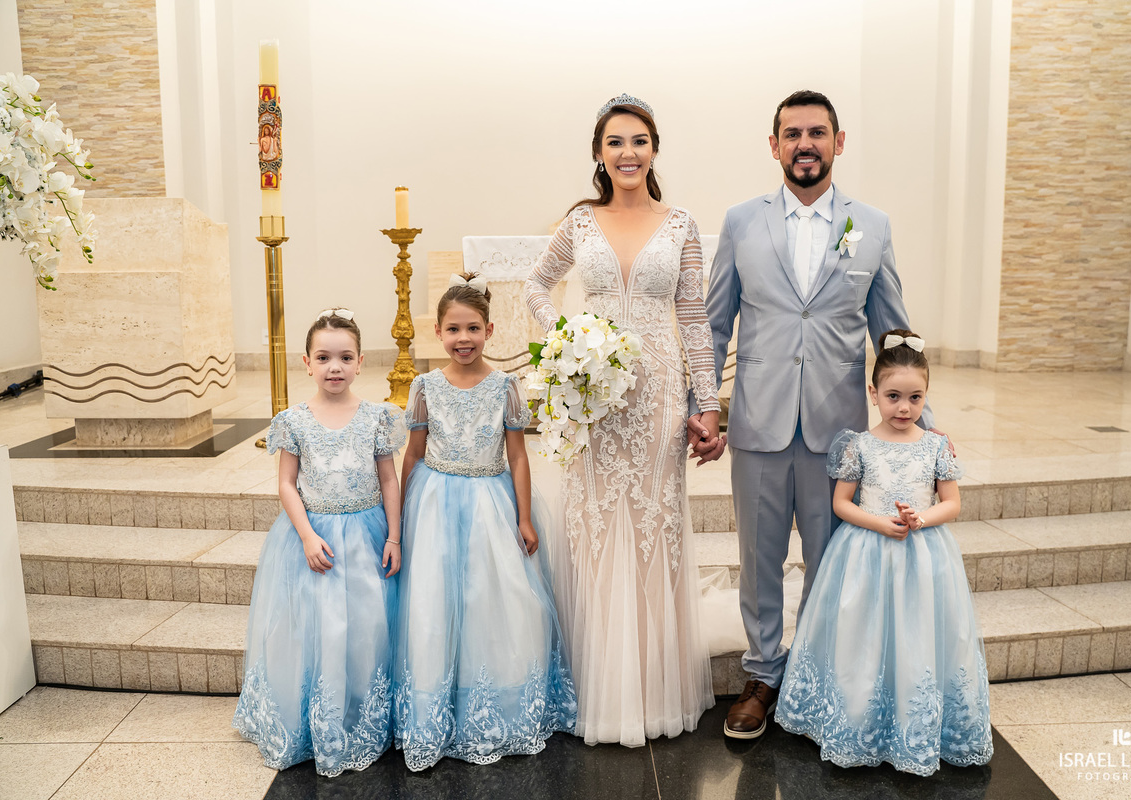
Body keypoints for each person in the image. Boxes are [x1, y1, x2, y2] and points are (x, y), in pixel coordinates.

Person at [692, 90, 937, 740]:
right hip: (759, 425)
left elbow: (892, 329)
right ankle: (763, 675)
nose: (805, 144)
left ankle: (823, 676)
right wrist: (704, 406)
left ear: (838, 141)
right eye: (792, 133)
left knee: (834, 563)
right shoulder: (744, 221)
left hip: (840, 436)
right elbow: (715, 325)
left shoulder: (869, 225)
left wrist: (924, 422)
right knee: (760, 557)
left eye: (817, 133)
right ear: (773, 144)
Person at [524, 94, 719, 747]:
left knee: (651, 527)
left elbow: (694, 318)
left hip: (659, 392)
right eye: (616, 142)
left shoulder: (681, 223)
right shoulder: (580, 222)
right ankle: (594, 684)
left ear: (654, 149)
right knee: (598, 524)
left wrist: (708, 402)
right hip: (594, 394)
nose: (628, 152)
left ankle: (651, 688)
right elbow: (534, 287)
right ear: (600, 154)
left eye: (639, 141)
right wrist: (567, 345)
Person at [775, 330, 991, 775]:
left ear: (927, 396)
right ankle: (860, 720)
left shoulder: (935, 447)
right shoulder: (859, 445)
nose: (904, 408)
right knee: (866, 633)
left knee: (917, 635)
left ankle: (916, 724)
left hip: (924, 556)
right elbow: (841, 503)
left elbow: (952, 502)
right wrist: (882, 524)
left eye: (915, 397)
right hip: (867, 554)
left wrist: (921, 519)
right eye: (894, 396)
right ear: (873, 394)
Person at [392, 273, 577, 771]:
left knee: (491, 599)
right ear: (438, 332)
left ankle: (491, 700)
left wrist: (524, 516)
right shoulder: (425, 386)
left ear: (490, 331)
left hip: (491, 502)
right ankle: (436, 701)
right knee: (436, 599)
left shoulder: (506, 387)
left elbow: (518, 456)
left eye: (473, 328)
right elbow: (413, 452)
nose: (464, 339)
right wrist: (403, 511)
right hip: (434, 501)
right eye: (454, 329)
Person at [234, 308, 406, 777]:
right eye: (324, 357)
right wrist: (307, 535)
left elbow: (389, 480)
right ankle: (319, 717)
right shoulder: (293, 420)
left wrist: (393, 535)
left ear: (360, 362)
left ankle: (364, 713)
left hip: (368, 536)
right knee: (321, 628)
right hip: (315, 539)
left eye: (345, 357)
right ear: (306, 362)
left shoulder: (377, 417)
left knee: (368, 627)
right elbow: (287, 484)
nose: (335, 366)